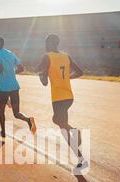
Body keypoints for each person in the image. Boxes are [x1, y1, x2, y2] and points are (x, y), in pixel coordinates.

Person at [38, 34, 87, 169]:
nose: (45, 45)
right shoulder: (66, 56)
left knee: (63, 129)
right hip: (69, 96)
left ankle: (81, 159)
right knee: (57, 120)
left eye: (46, 42)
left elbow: (44, 82)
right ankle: (74, 131)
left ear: (50, 43)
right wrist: (66, 79)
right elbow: (80, 72)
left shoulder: (47, 57)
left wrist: (42, 76)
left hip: (58, 98)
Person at [0, 37, 36, 138]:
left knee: (1, 111)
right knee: (16, 113)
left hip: (4, 88)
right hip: (14, 86)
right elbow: (21, 68)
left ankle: (3, 132)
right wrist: (12, 73)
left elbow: (0, 68)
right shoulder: (10, 53)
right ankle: (28, 119)